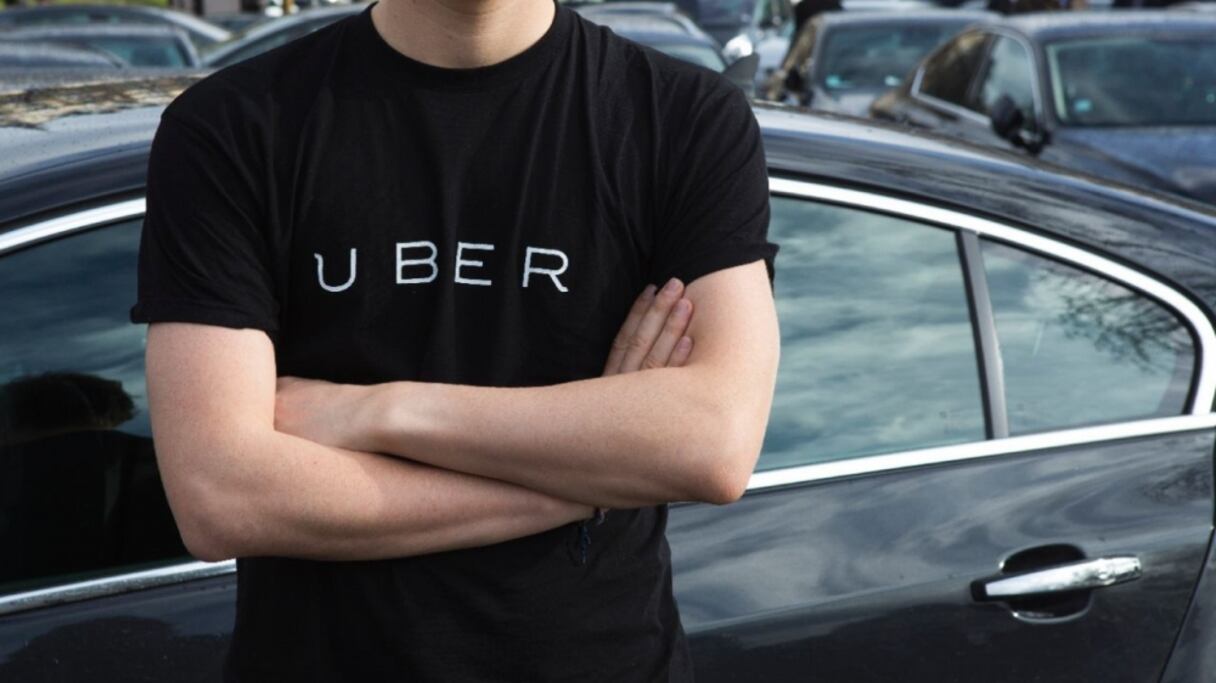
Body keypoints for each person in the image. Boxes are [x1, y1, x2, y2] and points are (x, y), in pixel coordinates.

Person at [130, 0, 780, 679]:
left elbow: (714, 442)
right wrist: (593, 484)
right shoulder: (234, 124)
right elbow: (222, 496)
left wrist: (375, 411)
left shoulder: (684, 118)